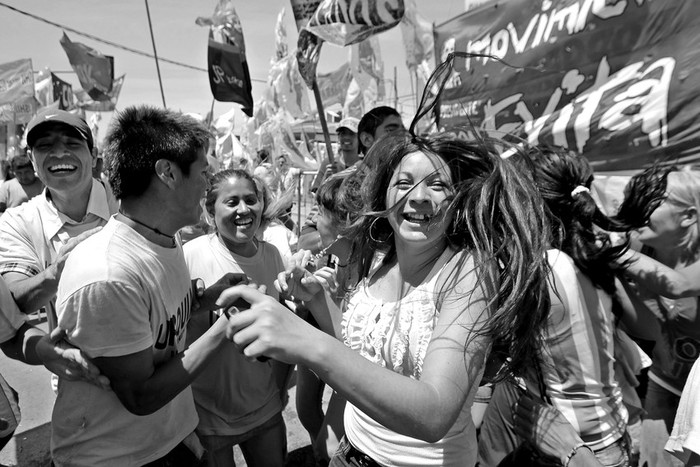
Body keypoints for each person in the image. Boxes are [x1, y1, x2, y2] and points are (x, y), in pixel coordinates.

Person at [218, 132, 553, 466]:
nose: (418, 196)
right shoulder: (379, 257)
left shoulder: (468, 268)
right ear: (385, 193)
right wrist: (318, 300)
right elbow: (363, 355)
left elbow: (434, 414)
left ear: (458, 201)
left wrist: (304, 340)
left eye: (437, 186)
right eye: (404, 182)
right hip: (351, 453)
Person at [50, 105, 245, 466]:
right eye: (203, 172)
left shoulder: (165, 238)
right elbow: (141, 396)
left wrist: (205, 301)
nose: (208, 184)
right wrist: (226, 328)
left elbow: (158, 328)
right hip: (119, 457)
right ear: (168, 173)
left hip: (170, 441)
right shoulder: (110, 274)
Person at [478, 146, 632, 467]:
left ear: (527, 205)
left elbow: (488, 356)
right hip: (609, 439)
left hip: (577, 450)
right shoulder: (585, 253)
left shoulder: (547, 268)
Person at [184, 169, 290, 467]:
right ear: (209, 211)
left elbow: (279, 337)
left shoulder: (272, 256)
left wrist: (279, 390)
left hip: (264, 407)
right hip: (207, 415)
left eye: (251, 200)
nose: (243, 210)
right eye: (231, 202)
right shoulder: (190, 255)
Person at [610, 166, 700, 467]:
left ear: (688, 216)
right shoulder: (639, 248)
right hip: (665, 381)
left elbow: (677, 284)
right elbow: (647, 328)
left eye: (655, 200)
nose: (641, 207)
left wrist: (612, 252)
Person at [0, 108, 118, 331]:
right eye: (45, 145)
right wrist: (57, 273)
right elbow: (16, 299)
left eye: (72, 143)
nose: (59, 152)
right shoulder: (16, 222)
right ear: (32, 160)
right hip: (75, 363)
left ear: (93, 156)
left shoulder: (129, 201)